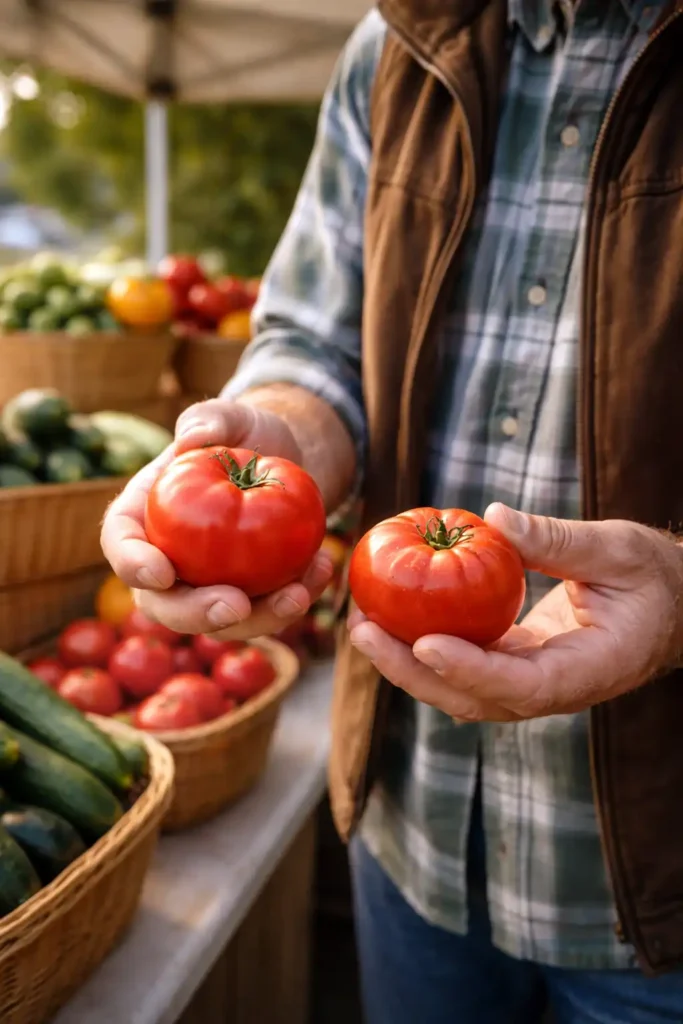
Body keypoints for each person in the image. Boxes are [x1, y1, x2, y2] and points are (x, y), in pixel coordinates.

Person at [102, 2, 683, 1021]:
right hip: (410, 827)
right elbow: (310, 342)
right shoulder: (397, 45)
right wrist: (284, 432)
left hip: (656, 879)